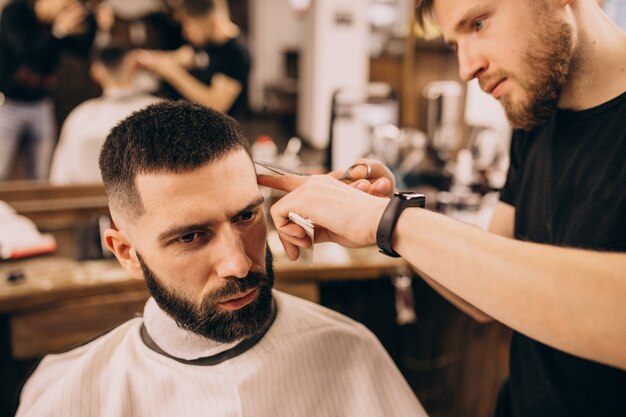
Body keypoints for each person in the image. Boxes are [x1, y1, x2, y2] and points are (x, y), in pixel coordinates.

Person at [258, 0, 626, 416]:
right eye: (454, 45)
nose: (466, 68)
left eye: (480, 22)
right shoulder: (538, 117)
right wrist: (382, 222)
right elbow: (488, 298)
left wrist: (391, 222)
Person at [16, 101, 427, 417]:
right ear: (127, 253)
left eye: (246, 216)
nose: (239, 264)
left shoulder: (349, 351)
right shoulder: (71, 393)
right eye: (191, 236)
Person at [0, 0, 95, 181]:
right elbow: (27, 52)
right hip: (8, 104)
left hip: (41, 103)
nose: (66, 10)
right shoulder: (15, 13)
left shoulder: (57, 22)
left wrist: (93, 22)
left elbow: (82, 49)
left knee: (41, 175)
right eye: (65, 4)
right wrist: (57, 33)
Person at [49, 43, 160, 184]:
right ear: (134, 66)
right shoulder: (159, 112)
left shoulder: (81, 118)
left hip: (87, 201)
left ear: (95, 72)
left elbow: (60, 178)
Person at [135, 0, 250, 120]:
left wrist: (171, 73)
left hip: (223, 133)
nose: (185, 33)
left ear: (213, 23)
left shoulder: (236, 52)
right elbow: (181, 57)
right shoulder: (205, 42)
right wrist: (148, 59)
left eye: (190, 25)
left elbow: (216, 105)